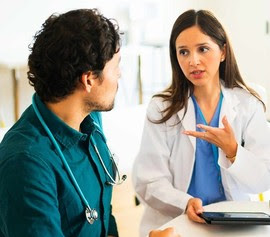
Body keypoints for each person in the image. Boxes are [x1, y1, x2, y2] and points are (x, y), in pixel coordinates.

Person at [0, 8, 179, 237]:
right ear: (89, 80)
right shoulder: (26, 164)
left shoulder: (90, 119)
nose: (120, 75)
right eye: (116, 67)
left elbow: (103, 220)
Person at [132, 9, 270, 236]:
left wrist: (233, 150)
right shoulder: (162, 108)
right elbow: (149, 181)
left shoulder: (248, 103)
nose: (193, 61)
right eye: (183, 52)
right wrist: (185, 203)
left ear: (223, 51)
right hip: (178, 220)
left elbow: (263, 179)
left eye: (203, 49)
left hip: (233, 221)